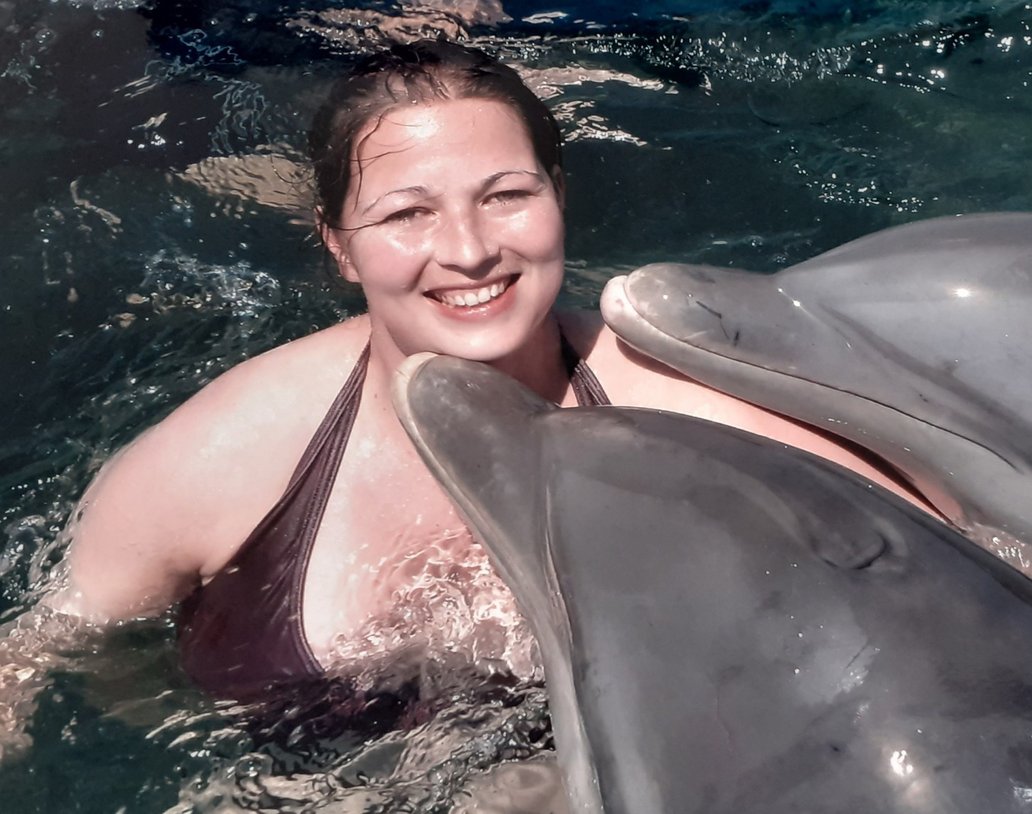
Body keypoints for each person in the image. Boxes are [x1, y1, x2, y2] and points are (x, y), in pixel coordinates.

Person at [1, 40, 934, 747]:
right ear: (337, 244)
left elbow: (950, 589)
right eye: (406, 213)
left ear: (559, 196)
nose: (469, 249)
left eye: (507, 195)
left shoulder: (694, 406)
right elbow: (38, 659)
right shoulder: (224, 455)